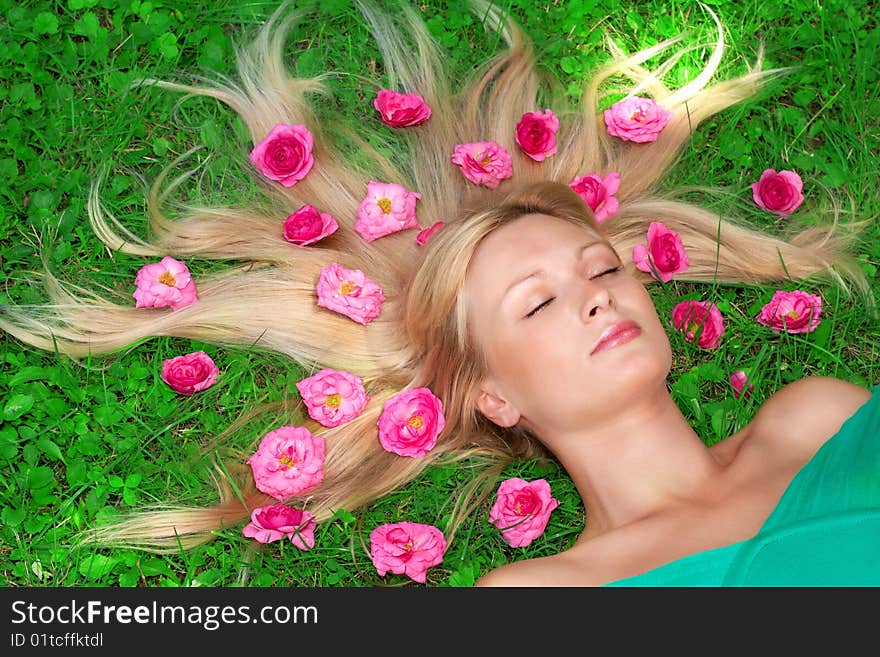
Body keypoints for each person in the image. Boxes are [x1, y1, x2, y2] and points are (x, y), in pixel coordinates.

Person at [2, 0, 877, 586]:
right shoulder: (541, 592)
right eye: (536, 304)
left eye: (603, 269)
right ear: (493, 394)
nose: (598, 297)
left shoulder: (817, 420)